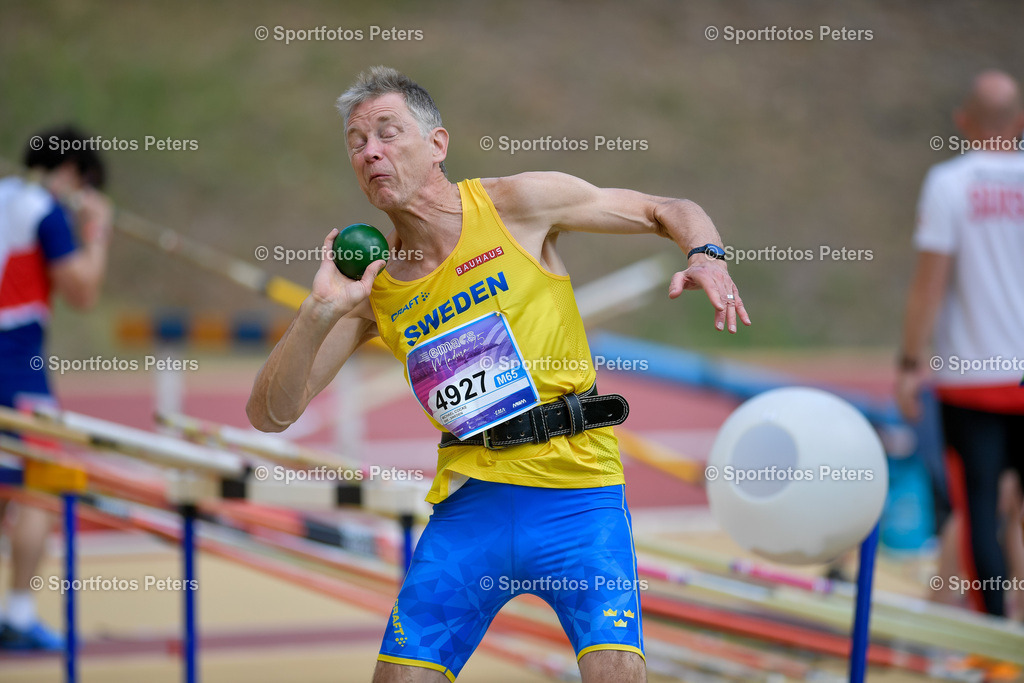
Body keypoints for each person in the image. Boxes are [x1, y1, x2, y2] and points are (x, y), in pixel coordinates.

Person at [248, 66, 750, 682]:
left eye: (387, 132)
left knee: (617, 674)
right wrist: (319, 311)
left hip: (578, 498)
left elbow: (666, 208)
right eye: (357, 142)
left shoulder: (515, 205)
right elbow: (271, 414)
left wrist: (706, 256)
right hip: (471, 510)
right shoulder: (371, 290)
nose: (371, 151)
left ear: (437, 145)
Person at [896, 70, 1024, 617]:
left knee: (978, 511)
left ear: (962, 122)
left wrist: (908, 361)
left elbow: (930, 285)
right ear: (1019, 124)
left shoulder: (950, 183)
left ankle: (993, 639)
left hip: (972, 380)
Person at [0, 126, 112, 649]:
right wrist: (97, 230)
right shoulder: (44, 211)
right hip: (16, 366)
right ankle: (19, 615)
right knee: (41, 488)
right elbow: (83, 290)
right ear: (72, 174)